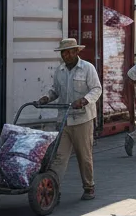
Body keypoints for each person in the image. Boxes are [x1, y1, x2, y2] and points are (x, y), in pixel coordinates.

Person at [39, 37, 102, 201]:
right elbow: (55, 91)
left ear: (76, 52)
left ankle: (89, 187)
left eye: (69, 52)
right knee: (59, 156)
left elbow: (96, 89)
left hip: (82, 119)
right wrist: (46, 98)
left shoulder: (87, 68)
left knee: (84, 155)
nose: (66, 55)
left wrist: (84, 100)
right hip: (64, 120)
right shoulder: (59, 71)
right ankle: (54, 189)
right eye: (63, 53)